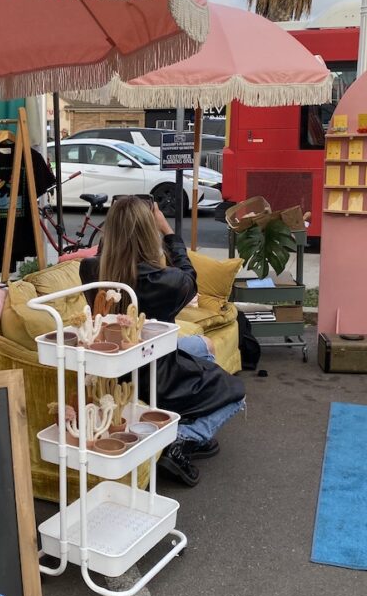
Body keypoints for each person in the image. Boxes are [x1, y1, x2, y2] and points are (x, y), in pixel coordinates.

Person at [79, 195, 246, 486]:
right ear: (148, 232)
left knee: (205, 346)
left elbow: (111, 257)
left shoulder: (91, 270)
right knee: (236, 393)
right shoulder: (164, 280)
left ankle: (186, 416)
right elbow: (190, 279)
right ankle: (183, 439)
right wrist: (168, 231)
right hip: (156, 374)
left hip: (120, 366)